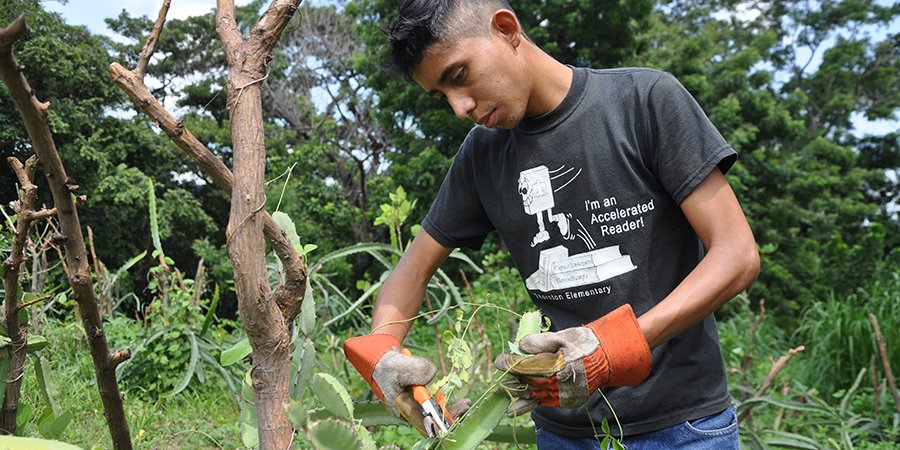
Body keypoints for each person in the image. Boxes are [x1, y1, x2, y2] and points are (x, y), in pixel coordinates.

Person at [343, 0, 761, 448]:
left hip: (683, 428)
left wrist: (611, 347)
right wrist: (382, 352)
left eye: (458, 76)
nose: (459, 107)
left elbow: (736, 256)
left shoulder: (644, 100)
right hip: (563, 433)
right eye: (440, 96)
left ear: (506, 29)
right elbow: (413, 268)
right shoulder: (483, 155)